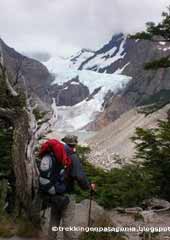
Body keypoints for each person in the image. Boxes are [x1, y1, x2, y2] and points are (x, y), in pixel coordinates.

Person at [48, 134, 96, 240]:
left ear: (65, 142)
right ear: (74, 144)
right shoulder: (72, 156)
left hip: (54, 193)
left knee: (54, 220)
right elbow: (79, 176)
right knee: (68, 222)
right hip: (67, 194)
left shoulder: (55, 154)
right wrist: (88, 186)